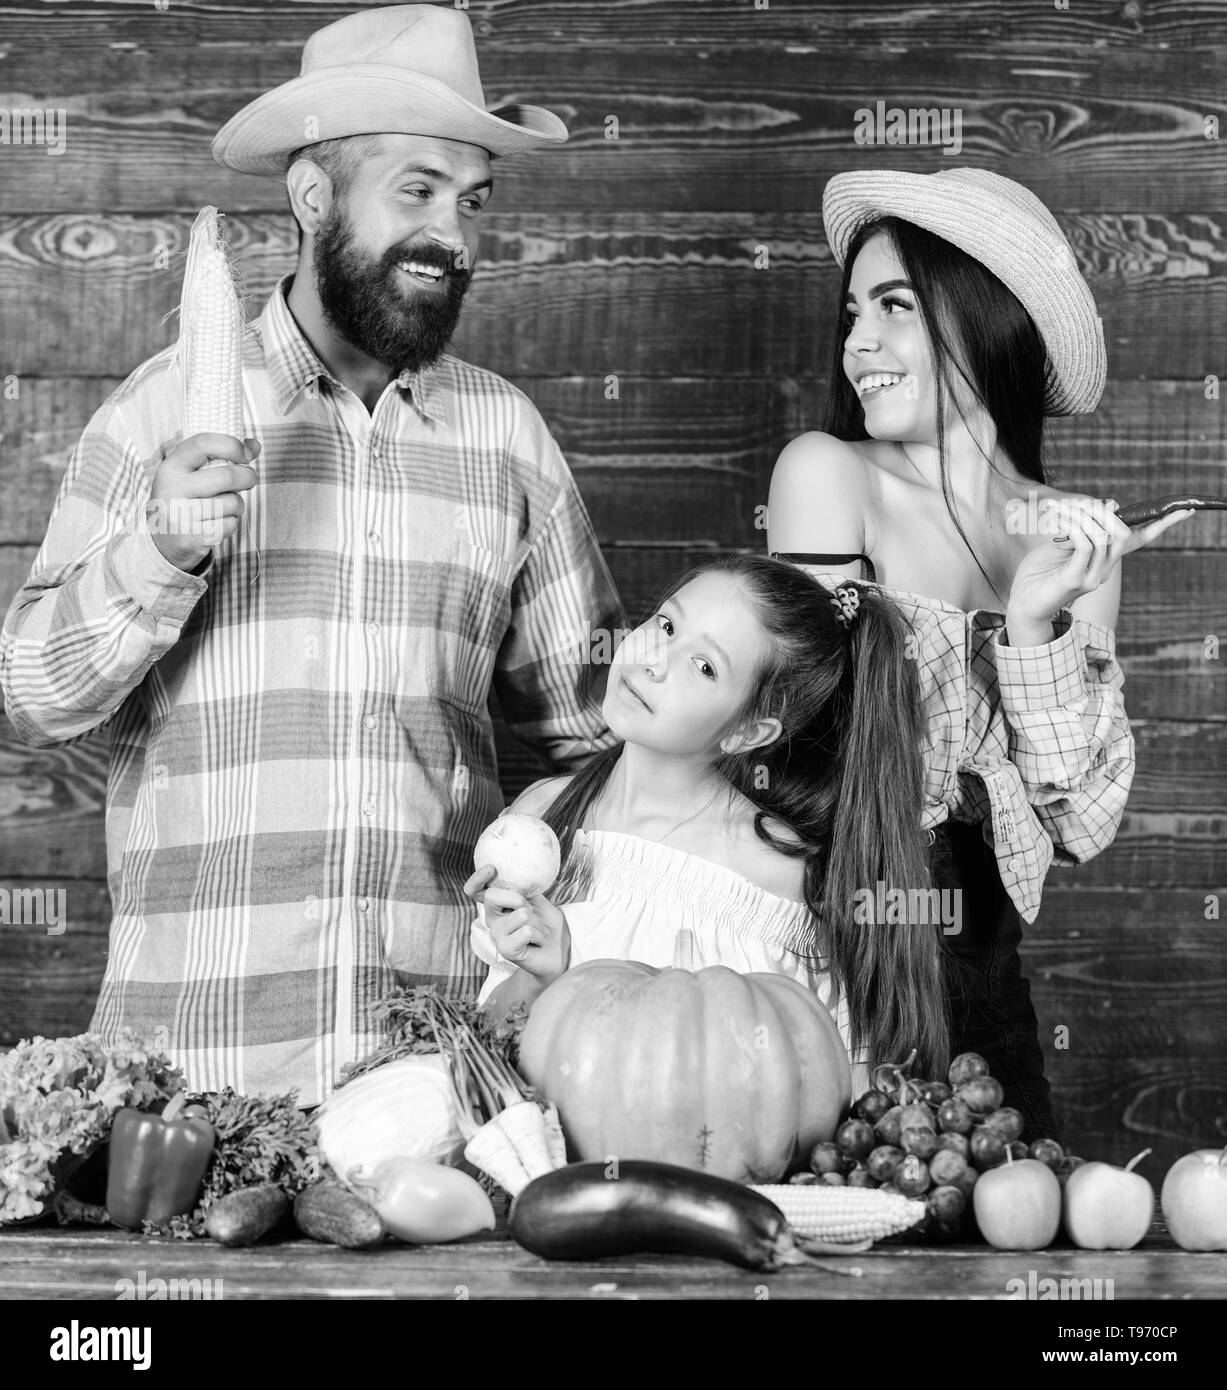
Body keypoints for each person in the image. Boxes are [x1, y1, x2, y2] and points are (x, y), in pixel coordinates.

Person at [0, 5, 623, 1106]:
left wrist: (547, 857)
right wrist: (160, 549)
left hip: (429, 1090)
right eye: (417, 191)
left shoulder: (505, 438)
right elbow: (36, 692)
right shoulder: (159, 415)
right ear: (312, 196)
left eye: (473, 200)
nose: (457, 239)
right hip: (190, 1081)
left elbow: (595, 745)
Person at [766, 167, 1193, 1139]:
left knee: (1002, 1251)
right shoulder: (828, 474)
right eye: (852, 313)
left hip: (986, 993)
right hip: (832, 964)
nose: (857, 343)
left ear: (982, 317)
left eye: (893, 306)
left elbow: (1077, 818)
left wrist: (1036, 626)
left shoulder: (1075, 545)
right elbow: (796, 740)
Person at [466, 553, 953, 1091]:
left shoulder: (779, 877)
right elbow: (482, 1054)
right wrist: (541, 975)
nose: (654, 660)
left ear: (748, 732)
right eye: (667, 624)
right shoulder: (543, 819)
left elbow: (835, 1092)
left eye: (704, 666)